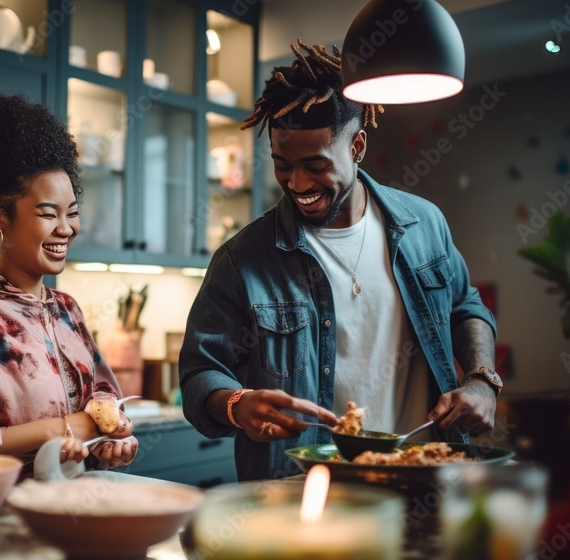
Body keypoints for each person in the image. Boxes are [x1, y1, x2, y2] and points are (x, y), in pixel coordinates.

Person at [179, 40, 500, 481]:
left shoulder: (424, 225)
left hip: (427, 476)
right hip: (304, 493)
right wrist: (235, 405)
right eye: (282, 165)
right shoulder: (242, 260)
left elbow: (467, 307)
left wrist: (481, 380)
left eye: (315, 165)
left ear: (358, 146)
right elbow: (201, 372)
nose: (297, 182)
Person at [0, 92, 138, 474]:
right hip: (3, 513)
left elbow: (104, 402)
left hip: (76, 504)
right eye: (47, 213)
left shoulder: (67, 310)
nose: (66, 228)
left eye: (71, 213)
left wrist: (113, 440)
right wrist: (60, 430)